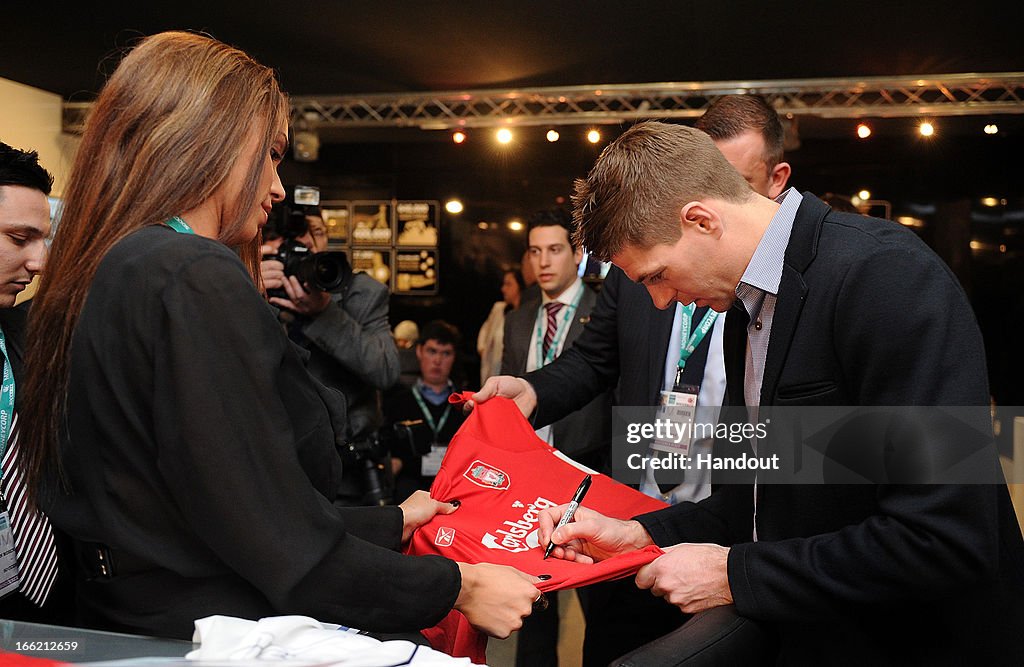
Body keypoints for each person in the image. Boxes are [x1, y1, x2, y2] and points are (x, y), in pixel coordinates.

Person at [16, 31, 539, 642]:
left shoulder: (118, 265)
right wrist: (458, 588)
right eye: (269, 154)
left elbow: (212, 505)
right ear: (210, 141)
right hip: (216, 632)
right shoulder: (192, 273)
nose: (278, 187)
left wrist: (388, 520)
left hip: (137, 622)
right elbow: (275, 542)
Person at [509, 120, 1023, 662]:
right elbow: (755, 501)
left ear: (702, 220)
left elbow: (945, 539)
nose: (661, 303)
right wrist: (637, 534)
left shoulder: (883, 274)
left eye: (657, 275)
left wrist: (735, 575)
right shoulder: (744, 311)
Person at [478, 95, 795, 665]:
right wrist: (532, 391)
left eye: (739, 185)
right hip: (641, 515)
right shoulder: (649, 274)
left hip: (732, 535)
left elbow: (919, 509)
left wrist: (740, 566)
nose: (661, 297)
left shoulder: (810, 290)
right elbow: (595, 360)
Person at [501, 208, 612, 667]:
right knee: (532, 606)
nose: (543, 262)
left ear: (577, 253)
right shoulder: (520, 318)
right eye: (534, 251)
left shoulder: (602, 310)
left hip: (589, 471)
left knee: (598, 606)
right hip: (531, 479)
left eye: (554, 250)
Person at [261, 205, 399, 505]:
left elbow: (386, 369)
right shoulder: (253, 283)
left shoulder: (359, 292)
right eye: (293, 237)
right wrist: (250, 290)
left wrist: (324, 314)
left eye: (317, 233)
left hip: (349, 474)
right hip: (273, 467)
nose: (307, 244)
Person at [0, 142, 68, 624]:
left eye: (43, 240)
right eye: (19, 238)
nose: (39, 263)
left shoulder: (23, 334)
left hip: (41, 613)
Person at [385, 320, 467, 501]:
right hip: (409, 491)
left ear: (454, 357)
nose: (437, 361)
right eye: (432, 351)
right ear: (419, 351)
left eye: (446, 353)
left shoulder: (465, 405)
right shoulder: (398, 402)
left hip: (454, 490)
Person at [476, 266, 524, 386]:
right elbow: (485, 330)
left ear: (520, 286)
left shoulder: (527, 316)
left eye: (509, 284)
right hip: (492, 373)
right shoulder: (499, 309)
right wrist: (484, 350)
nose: (503, 289)